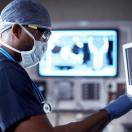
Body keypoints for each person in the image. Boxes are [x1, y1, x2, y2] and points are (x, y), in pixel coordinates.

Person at [0, 0, 132, 132]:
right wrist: (109, 112)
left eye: (47, 36)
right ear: (17, 30)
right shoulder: (7, 71)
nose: (44, 43)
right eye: (42, 34)